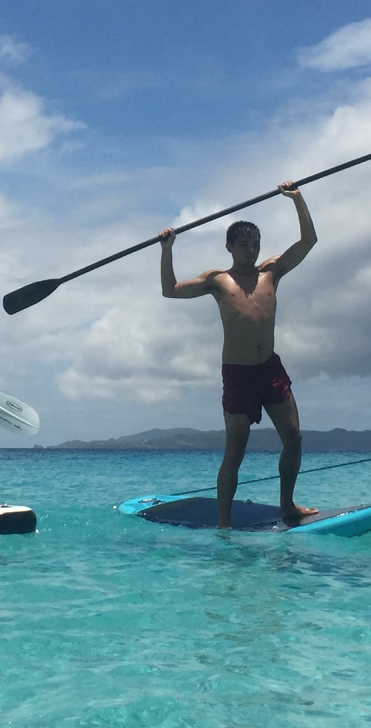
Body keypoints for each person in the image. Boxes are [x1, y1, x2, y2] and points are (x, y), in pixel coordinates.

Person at [160, 181, 319, 529]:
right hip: (238, 375)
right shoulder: (217, 281)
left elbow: (309, 241)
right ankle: (223, 525)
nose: (251, 251)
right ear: (230, 247)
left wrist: (297, 200)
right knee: (235, 452)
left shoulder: (272, 272)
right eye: (244, 245)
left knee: (294, 438)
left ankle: (287, 506)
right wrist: (167, 248)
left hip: (270, 370)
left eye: (255, 245)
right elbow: (169, 290)